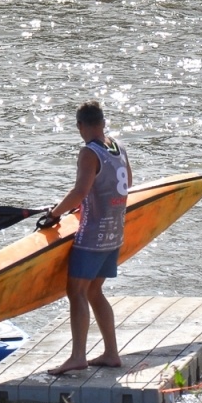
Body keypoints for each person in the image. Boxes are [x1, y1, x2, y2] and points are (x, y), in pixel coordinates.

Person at [42, 100, 130, 376]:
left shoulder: (88, 152)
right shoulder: (118, 147)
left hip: (92, 235)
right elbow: (128, 182)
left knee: (77, 291)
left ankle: (78, 356)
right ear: (103, 123)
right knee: (94, 290)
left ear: (80, 126)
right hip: (115, 233)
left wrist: (54, 214)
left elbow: (80, 192)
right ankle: (111, 353)